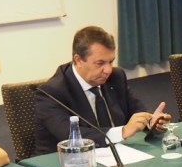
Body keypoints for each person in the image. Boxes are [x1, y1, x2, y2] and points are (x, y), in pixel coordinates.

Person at [34, 26, 170, 155]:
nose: (108, 70)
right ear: (78, 60)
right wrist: (122, 132)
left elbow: (136, 111)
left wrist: (151, 122)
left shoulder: (115, 77)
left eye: (111, 62)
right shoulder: (52, 92)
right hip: (66, 162)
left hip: (116, 154)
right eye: (100, 63)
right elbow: (70, 136)